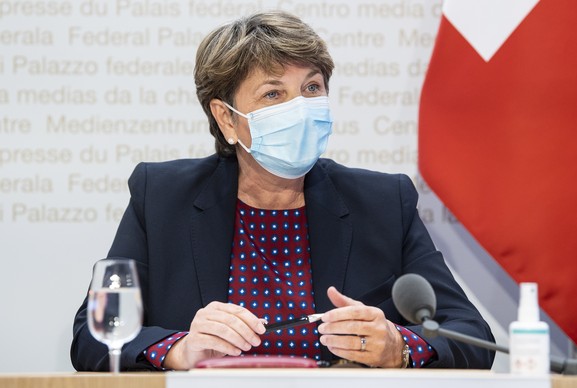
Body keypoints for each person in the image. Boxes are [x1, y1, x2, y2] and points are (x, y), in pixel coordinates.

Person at [71, 10, 495, 371]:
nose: (301, 109)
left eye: (311, 88)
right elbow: (92, 338)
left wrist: (398, 347)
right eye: (274, 93)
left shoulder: (383, 201)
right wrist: (180, 350)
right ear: (227, 119)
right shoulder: (162, 196)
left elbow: (470, 334)